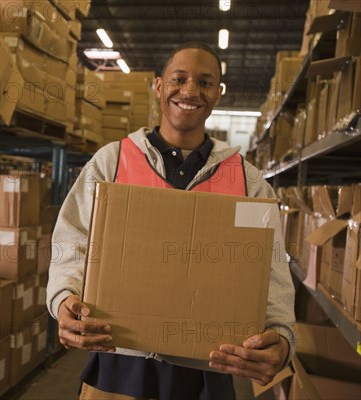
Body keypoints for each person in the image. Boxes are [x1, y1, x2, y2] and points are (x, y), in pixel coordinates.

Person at [46, 42, 296, 399]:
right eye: (179, 79)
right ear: (159, 86)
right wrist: (63, 299)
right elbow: (71, 240)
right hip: (117, 365)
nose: (190, 91)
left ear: (219, 94)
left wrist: (282, 338)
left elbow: (269, 271)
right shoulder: (112, 162)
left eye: (206, 82)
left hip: (207, 372)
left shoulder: (247, 180)